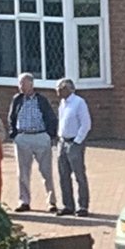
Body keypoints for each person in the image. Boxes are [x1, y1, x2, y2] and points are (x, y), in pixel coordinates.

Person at [7, 72, 59, 213]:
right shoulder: (17, 99)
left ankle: (51, 202)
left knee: (46, 171)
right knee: (23, 172)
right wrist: (14, 134)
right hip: (23, 137)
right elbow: (11, 117)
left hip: (40, 136)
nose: (21, 87)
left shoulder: (41, 100)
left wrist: (50, 136)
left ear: (31, 84)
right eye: (19, 84)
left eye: (23, 83)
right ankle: (24, 201)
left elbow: (51, 117)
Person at [55, 78, 92, 217]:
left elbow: (86, 124)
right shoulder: (62, 103)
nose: (57, 91)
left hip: (74, 143)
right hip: (62, 142)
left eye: (59, 88)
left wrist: (77, 141)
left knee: (79, 175)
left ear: (68, 89)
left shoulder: (79, 102)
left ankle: (83, 206)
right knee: (63, 175)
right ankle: (67, 205)